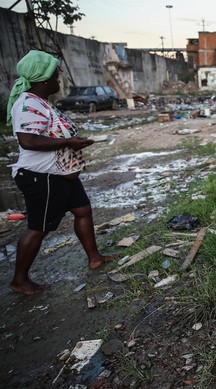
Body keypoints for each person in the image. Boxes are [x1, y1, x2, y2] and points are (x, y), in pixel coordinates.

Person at [6, 50, 116, 295]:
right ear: (43, 80)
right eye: (56, 76)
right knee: (38, 228)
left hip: (61, 172)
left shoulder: (40, 102)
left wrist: (73, 141)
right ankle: (19, 280)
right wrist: (70, 143)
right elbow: (28, 141)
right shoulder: (27, 103)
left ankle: (94, 257)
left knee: (83, 211)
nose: (59, 80)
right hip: (40, 176)